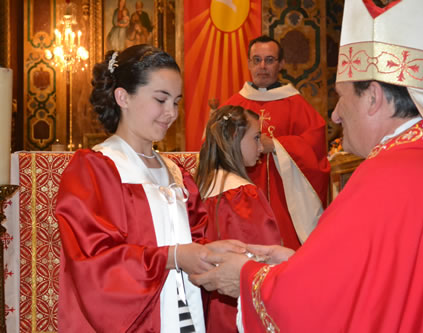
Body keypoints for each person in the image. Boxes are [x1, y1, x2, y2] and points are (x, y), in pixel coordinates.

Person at [191, 1, 423, 332]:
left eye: (342, 96)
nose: (335, 115)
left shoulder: (389, 173)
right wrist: (295, 264)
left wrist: (244, 277)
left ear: (373, 97)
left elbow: (326, 305)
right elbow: (376, 279)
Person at [56, 44, 245, 332]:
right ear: (123, 97)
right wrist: (174, 257)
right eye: (161, 99)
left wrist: (211, 252)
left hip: (186, 316)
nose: (171, 113)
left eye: (177, 101)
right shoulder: (96, 170)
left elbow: (190, 239)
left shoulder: (177, 174)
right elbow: (95, 265)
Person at [222, 35, 331, 250]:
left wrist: (277, 145)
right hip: (244, 199)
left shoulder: (296, 103)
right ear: (248, 63)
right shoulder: (234, 105)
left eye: (270, 60)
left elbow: (315, 145)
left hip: (286, 201)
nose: (262, 66)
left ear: (281, 64)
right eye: (257, 59)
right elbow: (215, 147)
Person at [196, 105, 281, 332]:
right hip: (237, 308)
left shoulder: (202, 186)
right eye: (255, 138)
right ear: (234, 138)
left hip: (207, 307)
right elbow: (264, 257)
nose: (261, 146)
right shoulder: (243, 195)